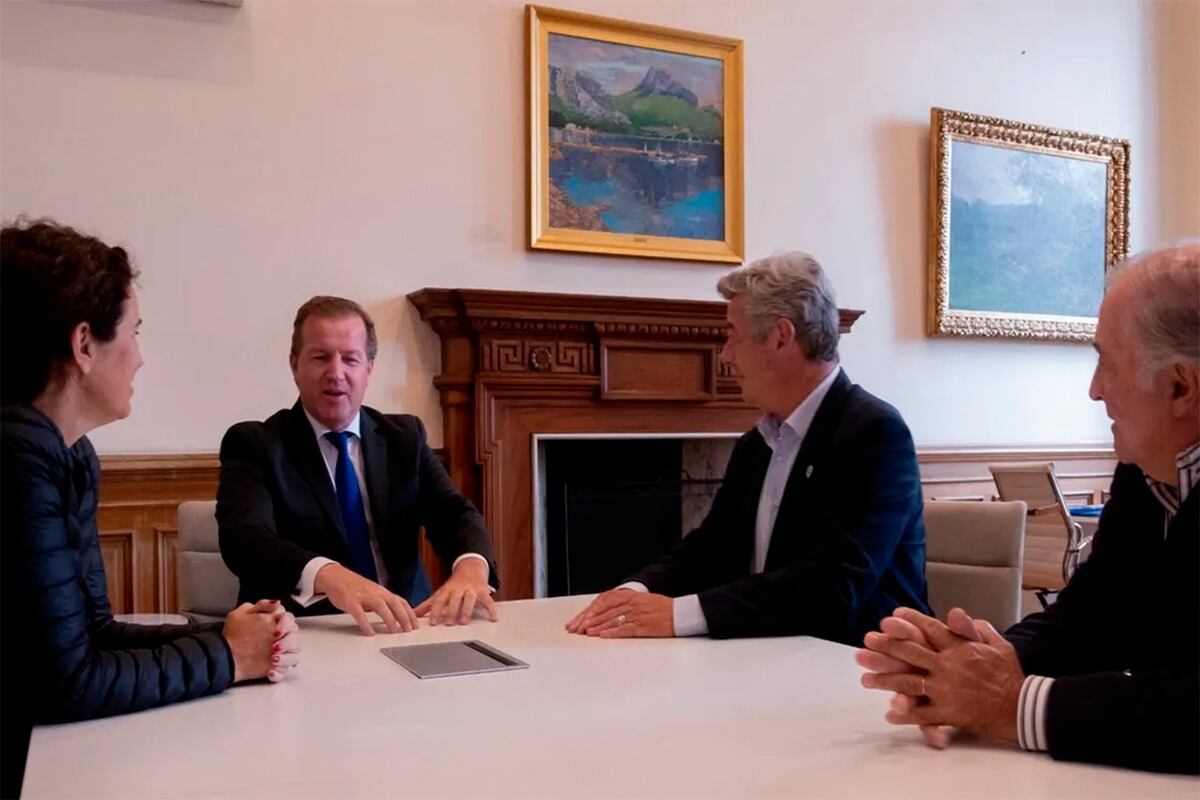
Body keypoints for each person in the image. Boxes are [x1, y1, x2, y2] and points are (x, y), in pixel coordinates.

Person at [857, 244, 1199, 774]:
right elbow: (1090, 619)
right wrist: (969, 665)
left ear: (1180, 387)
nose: (1094, 390)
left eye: (1107, 363)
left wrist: (1010, 704)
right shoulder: (1146, 471)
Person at [0, 220, 300, 798]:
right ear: (83, 344)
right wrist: (230, 656)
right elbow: (68, 684)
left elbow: (92, 634)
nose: (140, 357)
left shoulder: (68, 453)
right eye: (134, 333)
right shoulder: (17, 459)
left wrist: (230, 633)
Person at [566, 252, 930, 643]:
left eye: (733, 336)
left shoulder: (874, 434)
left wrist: (676, 615)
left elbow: (832, 588)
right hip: (772, 654)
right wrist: (632, 594)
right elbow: (710, 549)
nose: (725, 354)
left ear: (780, 337)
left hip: (864, 664)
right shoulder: (756, 445)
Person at [217, 296, 498, 636]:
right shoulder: (256, 443)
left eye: (350, 359)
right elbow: (244, 539)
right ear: (295, 366)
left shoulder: (404, 437)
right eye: (320, 357)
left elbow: (453, 513)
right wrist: (329, 575)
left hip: (407, 626)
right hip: (306, 633)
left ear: (369, 369)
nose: (336, 373)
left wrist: (471, 565)